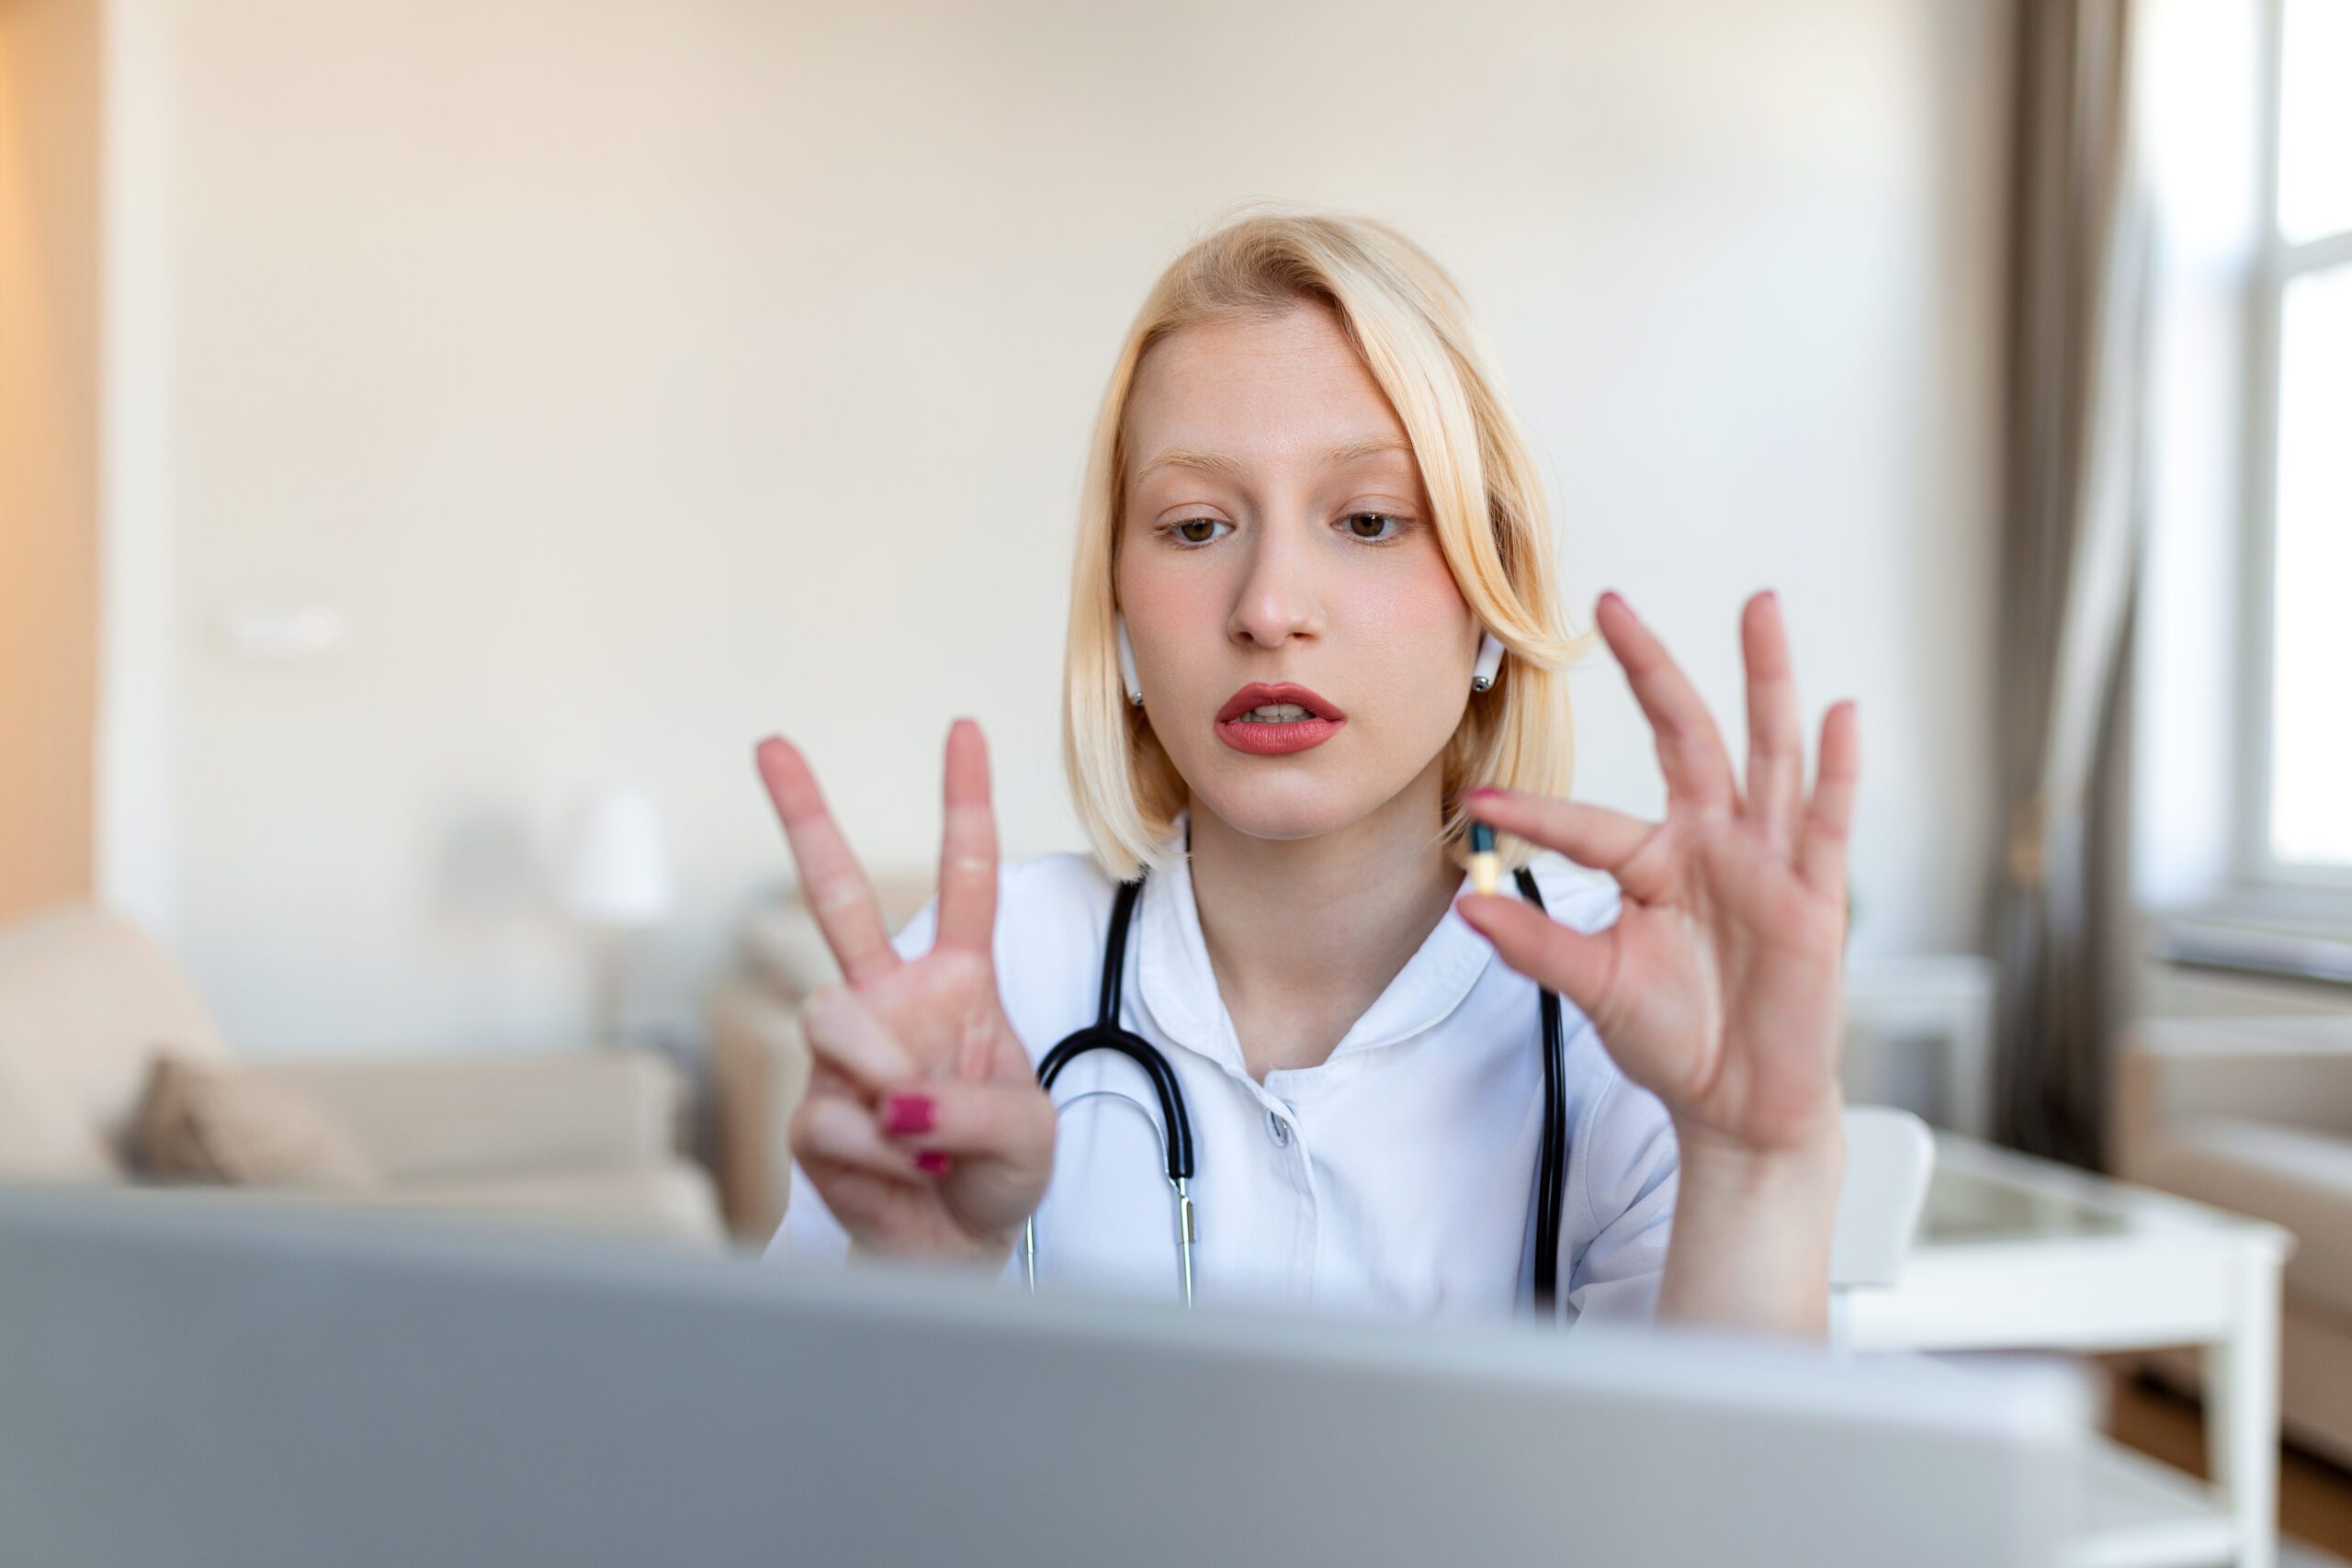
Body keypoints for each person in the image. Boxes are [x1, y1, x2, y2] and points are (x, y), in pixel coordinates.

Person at [754, 206, 1858, 1335]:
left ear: (1490, 600)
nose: (1269, 609)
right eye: (1194, 528)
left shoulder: (1633, 1028)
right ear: (1122, 616)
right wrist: (917, 1284)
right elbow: (775, 1495)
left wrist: (1750, 1170)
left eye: (1369, 520)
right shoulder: (988, 988)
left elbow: (1715, 1512)